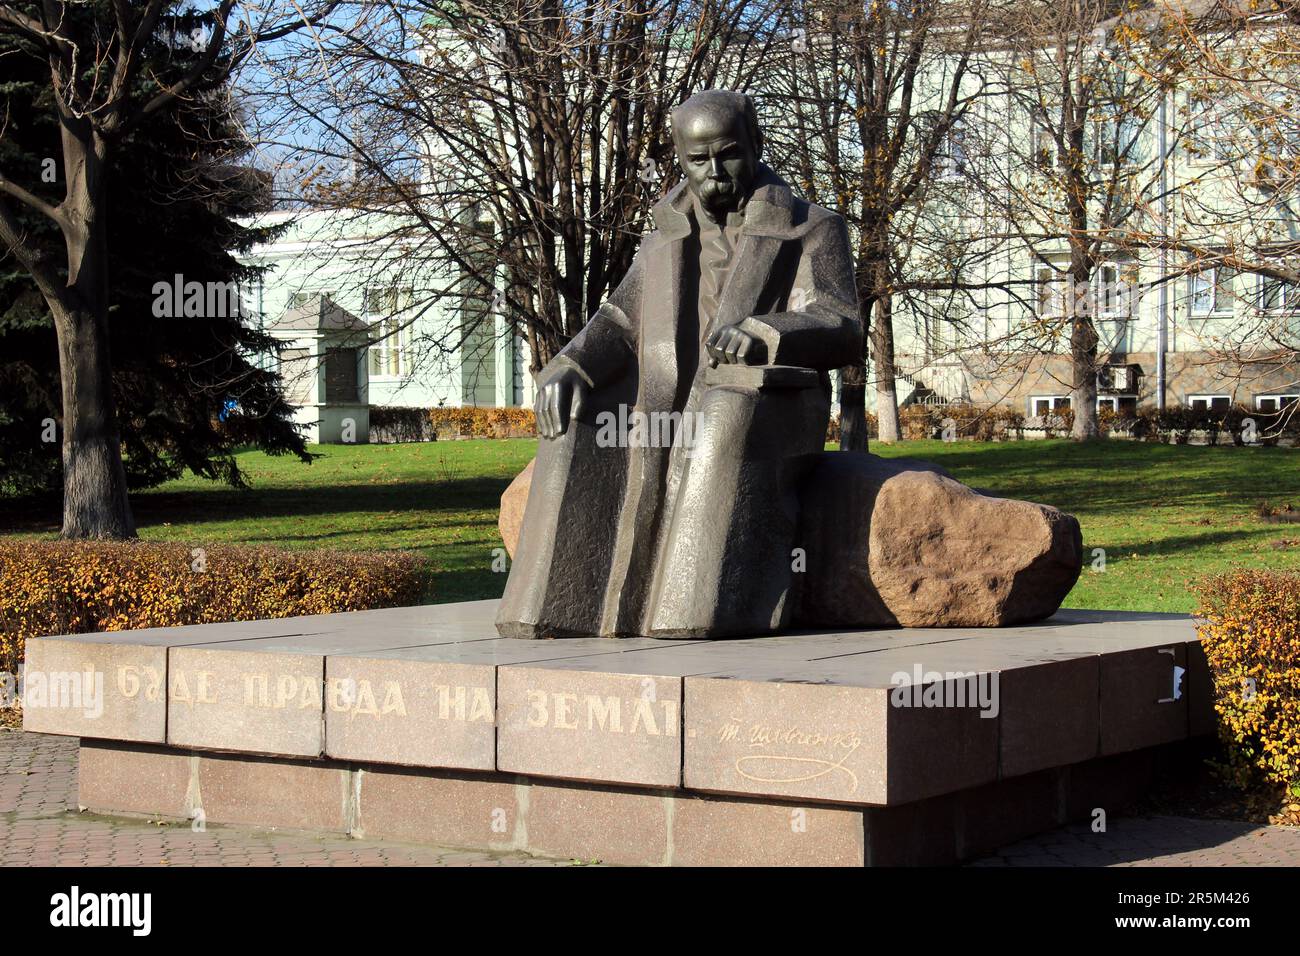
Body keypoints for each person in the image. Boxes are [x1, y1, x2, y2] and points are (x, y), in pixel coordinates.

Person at [497, 89, 862, 639]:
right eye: (698, 160)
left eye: (729, 154)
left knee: (722, 413)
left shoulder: (811, 227)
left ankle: (695, 612)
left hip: (768, 402)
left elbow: (842, 323)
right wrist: (572, 364)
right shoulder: (665, 236)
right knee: (574, 419)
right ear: (680, 158)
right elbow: (620, 320)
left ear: (757, 144)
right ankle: (558, 611)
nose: (714, 173)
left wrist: (766, 332)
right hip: (664, 404)